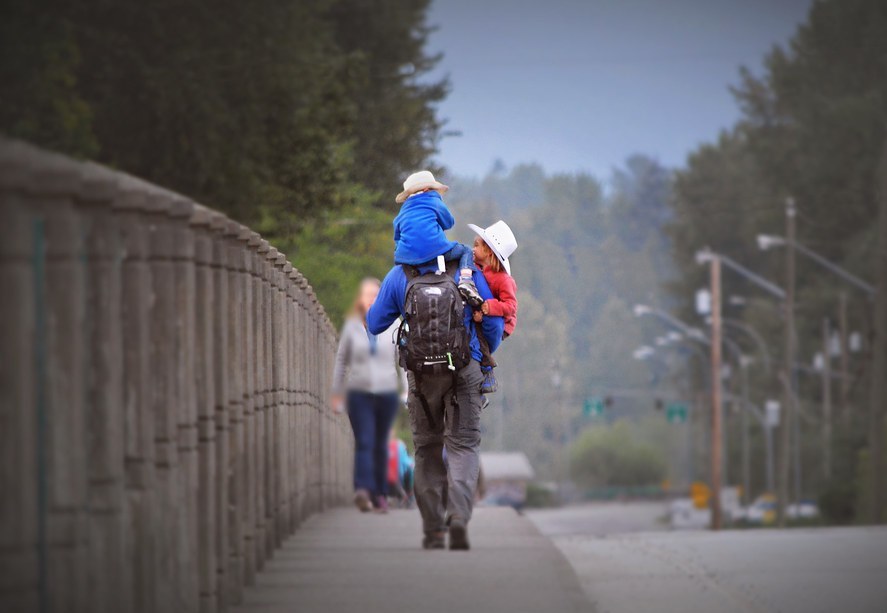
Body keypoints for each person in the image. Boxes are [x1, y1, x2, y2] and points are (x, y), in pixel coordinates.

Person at [367, 258, 504, 550]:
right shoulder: (465, 270)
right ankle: (457, 518)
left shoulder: (399, 275)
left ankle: (433, 529)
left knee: (427, 449)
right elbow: (493, 321)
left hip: (420, 375)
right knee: (463, 446)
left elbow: (375, 322)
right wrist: (482, 354)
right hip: (464, 370)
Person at [332, 278, 407, 514]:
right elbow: (342, 360)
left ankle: (380, 494)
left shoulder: (394, 325)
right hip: (359, 392)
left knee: (380, 444)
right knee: (365, 440)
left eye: (377, 295)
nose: (372, 299)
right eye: (368, 295)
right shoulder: (352, 327)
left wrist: (406, 390)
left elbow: (403, 360)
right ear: (361, 300)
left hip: (386, 392)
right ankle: (363, 491)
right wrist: (337, 391)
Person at [393, 170, 484, 307]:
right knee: (465, 250)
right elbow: (449, 223)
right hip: (435, 251)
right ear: (426, 189)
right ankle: (466, 281)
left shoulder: (403, 211)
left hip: (405, 257)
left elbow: (397, 236)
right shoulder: (433, 200)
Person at [467, 220, 519, 395]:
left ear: (488, 251)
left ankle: (488, 370)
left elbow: (511, 306)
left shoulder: (503, 280)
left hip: (503, 323)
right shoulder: (482, 270)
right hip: (486, 314)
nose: (473, 249)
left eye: (477, 245)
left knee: (481, 340)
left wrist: (489, 308)